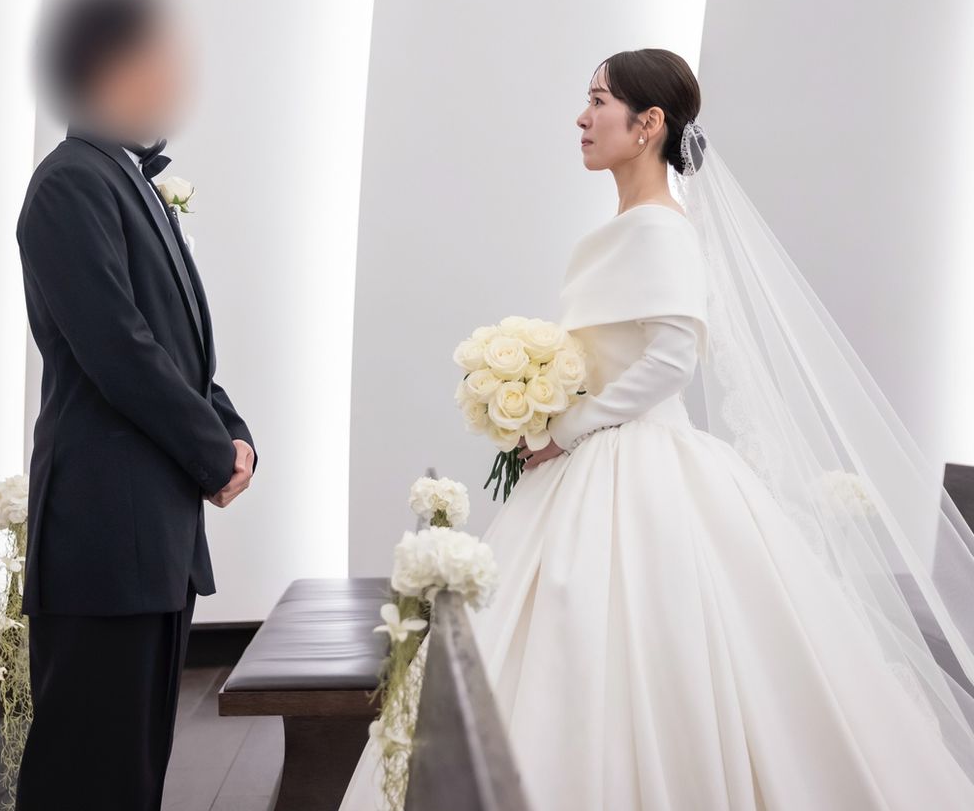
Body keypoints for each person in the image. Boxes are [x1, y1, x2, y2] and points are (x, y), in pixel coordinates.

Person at [339, 48, 974, 810]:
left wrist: (567, 424)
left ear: (648, 125)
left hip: (635, 461)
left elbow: (671, 360)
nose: (582, 117)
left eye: (598, 101)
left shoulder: (660, 231)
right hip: (597, 457)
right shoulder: (631, 226)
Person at [14, 0, 258, 810]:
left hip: (148, 534)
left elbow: (181, 349)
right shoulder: (71, 181)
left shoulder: (126, 179)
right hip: (104, 532)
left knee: (130, 773)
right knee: (86, 772)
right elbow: (119, 348)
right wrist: (210, 453)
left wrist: (236, 433)